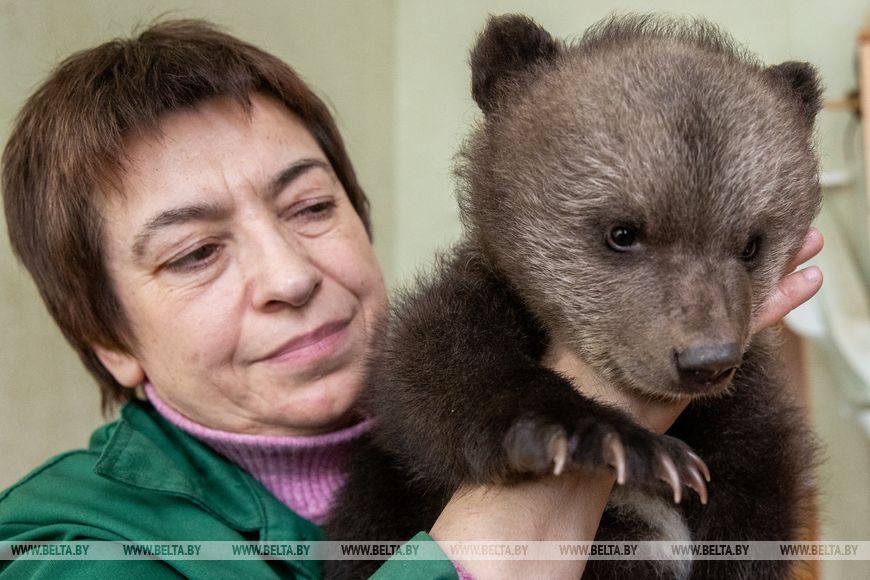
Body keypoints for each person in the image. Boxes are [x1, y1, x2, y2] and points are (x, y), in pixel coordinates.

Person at [0, 19, 824, 579]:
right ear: (105, 334)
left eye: (311, 207)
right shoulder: (68, 544)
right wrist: (584, 424)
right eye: (195, 252)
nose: (290, 276)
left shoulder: (428, 374)